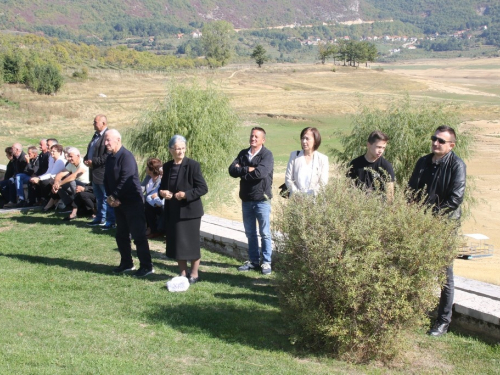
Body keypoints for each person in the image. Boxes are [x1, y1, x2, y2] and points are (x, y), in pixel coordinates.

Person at [408, 125, 466, 337]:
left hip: (444, 226)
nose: (435, 143)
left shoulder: (457, 165)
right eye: (434, 138)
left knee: (444, 275)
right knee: (414, 266)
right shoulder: (423, 161)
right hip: (420, 223)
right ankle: (411, 312)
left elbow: (455, 199)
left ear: (451, 145)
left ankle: (442, 321)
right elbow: (411, 190)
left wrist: (433, 216)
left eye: (441, 141)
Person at [104, 129, 154, 277]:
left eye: (108, 140)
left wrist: (114, 196)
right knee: (121, 235)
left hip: (132, 202)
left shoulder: (126, 157)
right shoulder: (109, 158)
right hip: (118, 203)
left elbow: (126, 179)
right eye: (105, 140)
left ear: (118, 140)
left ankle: (147, 266)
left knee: (138, 236)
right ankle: (127, 263)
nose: (106, 143)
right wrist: (110, 197)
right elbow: (107, 179)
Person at [159, 135, 208, 284]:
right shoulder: (167, 166)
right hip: (173, 211)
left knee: (191, 243)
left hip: (190, 212)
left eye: (182, 148)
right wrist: (163, 193)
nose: (180, 151)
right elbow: (162, 187)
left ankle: (194, 274)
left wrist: (186, 194)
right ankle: (182, 273)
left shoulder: (193, 165)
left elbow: (202, 188)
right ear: (170, 150)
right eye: (177, 149)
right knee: (177, 243)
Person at [229, 127, 274, 275]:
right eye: (252, 136)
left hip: (262, 200)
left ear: (263, 140)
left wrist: (242, 171)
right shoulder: (243, 153)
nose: (253, 138)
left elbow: (260, 173)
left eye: (256, 137)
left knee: (265, 232)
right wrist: (248, 169)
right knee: (250, 233)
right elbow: (231, 170)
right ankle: (254, 261)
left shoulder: (267, 155)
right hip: (246, 200)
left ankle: (266, 262)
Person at [84, 115, 115, 228]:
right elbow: (91, 152)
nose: (93, 124)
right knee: (99, 198)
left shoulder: (107, 136)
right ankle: (100, 218)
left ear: (103, 123)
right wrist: (86, 159)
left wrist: (94, 162)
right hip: (94, 172)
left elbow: (107, 155)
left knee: (107, 198)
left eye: (95, 122)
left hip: (103, 173)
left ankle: (110, 221)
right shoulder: (95, 136)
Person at [348, 130, 395, 199]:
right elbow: (349, 188)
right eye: (378, 147)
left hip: (380, 207)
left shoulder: (386, 166)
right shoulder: (355, 164)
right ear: (368, 145)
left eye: (383, 148)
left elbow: (390, 194)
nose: (381, 151)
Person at [285, 127, 329, 196]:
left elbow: (323, 182)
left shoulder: (323, 159)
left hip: (315, 201)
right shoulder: (294, 156)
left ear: (315, 141)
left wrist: (310, 195)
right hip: (296, 200)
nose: (304, 141)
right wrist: (297, 194)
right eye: (302, 138)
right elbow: (288, 179)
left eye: (307, 139)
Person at [51, 147, 90, 221]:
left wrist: (60, 183)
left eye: (71, 156)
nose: (69, 158)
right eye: (68, 156)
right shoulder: (71, 164)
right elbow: (60, 174)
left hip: (85, 186)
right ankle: (69, 205)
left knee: (70, 181)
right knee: (57, 183)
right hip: (75, 185)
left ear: (78, 156)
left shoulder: (83, 163)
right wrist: (56, 183)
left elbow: (73, 176)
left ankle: (76, 209)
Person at [30, 144, 67, 211]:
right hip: (53, 177)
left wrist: (39, 178)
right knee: (37, 181)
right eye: (51, 151)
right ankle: (41, 200)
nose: (51, 153)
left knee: (45, 182)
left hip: (58, 178)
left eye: (53, 151)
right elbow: (48, 171)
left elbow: (52, 174)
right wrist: (38, 177)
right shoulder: (51, 158)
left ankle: (49, 202)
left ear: (59, 152)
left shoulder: (60, 161)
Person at [142, 158, 164, 239]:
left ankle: (154, 230)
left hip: (158, 203)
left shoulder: (160, 179)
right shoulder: (148, 177)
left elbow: (155, 194)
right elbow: (141, 188)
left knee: (147, 205)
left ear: (152, 169)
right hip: (150, 201)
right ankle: (147, 228)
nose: (146, 168)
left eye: (147, 167)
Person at [3, 143, 28, 208]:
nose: (11, 149)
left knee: (11, 181)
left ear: (17, 150)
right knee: (3, 183)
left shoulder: (23, 158)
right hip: (16, 177)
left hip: (22, 177)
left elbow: (25, 171)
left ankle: (13, 201)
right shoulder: (15, 158)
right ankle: (8, 201)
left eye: (13, 148)